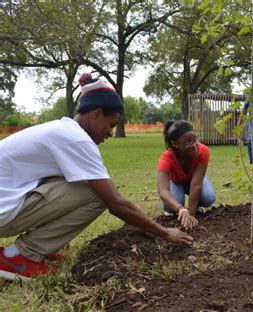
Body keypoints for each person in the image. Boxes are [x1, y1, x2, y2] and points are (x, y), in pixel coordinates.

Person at [0, 73, 193, 280]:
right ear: (97, 114)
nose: (110, 133)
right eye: (111, 124)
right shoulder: (77, 140)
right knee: (97, 195)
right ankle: (19, 256)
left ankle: (35, 248)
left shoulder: (62, 129)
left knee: (83, 182)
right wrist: (164, 233)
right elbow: (116, 203)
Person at [157, 120, 216, 230]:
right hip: (175, 181)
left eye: (195, 140)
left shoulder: (203, 151)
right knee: (171, 207)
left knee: (208, 197)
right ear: (175, 144)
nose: (194, 145)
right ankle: (176, 208)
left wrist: (191, 215)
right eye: (188, 142)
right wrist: (181, 209)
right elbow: (163, 191)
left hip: (194, 180)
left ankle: (197, 207)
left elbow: (196, 183)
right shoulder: (166, 158)